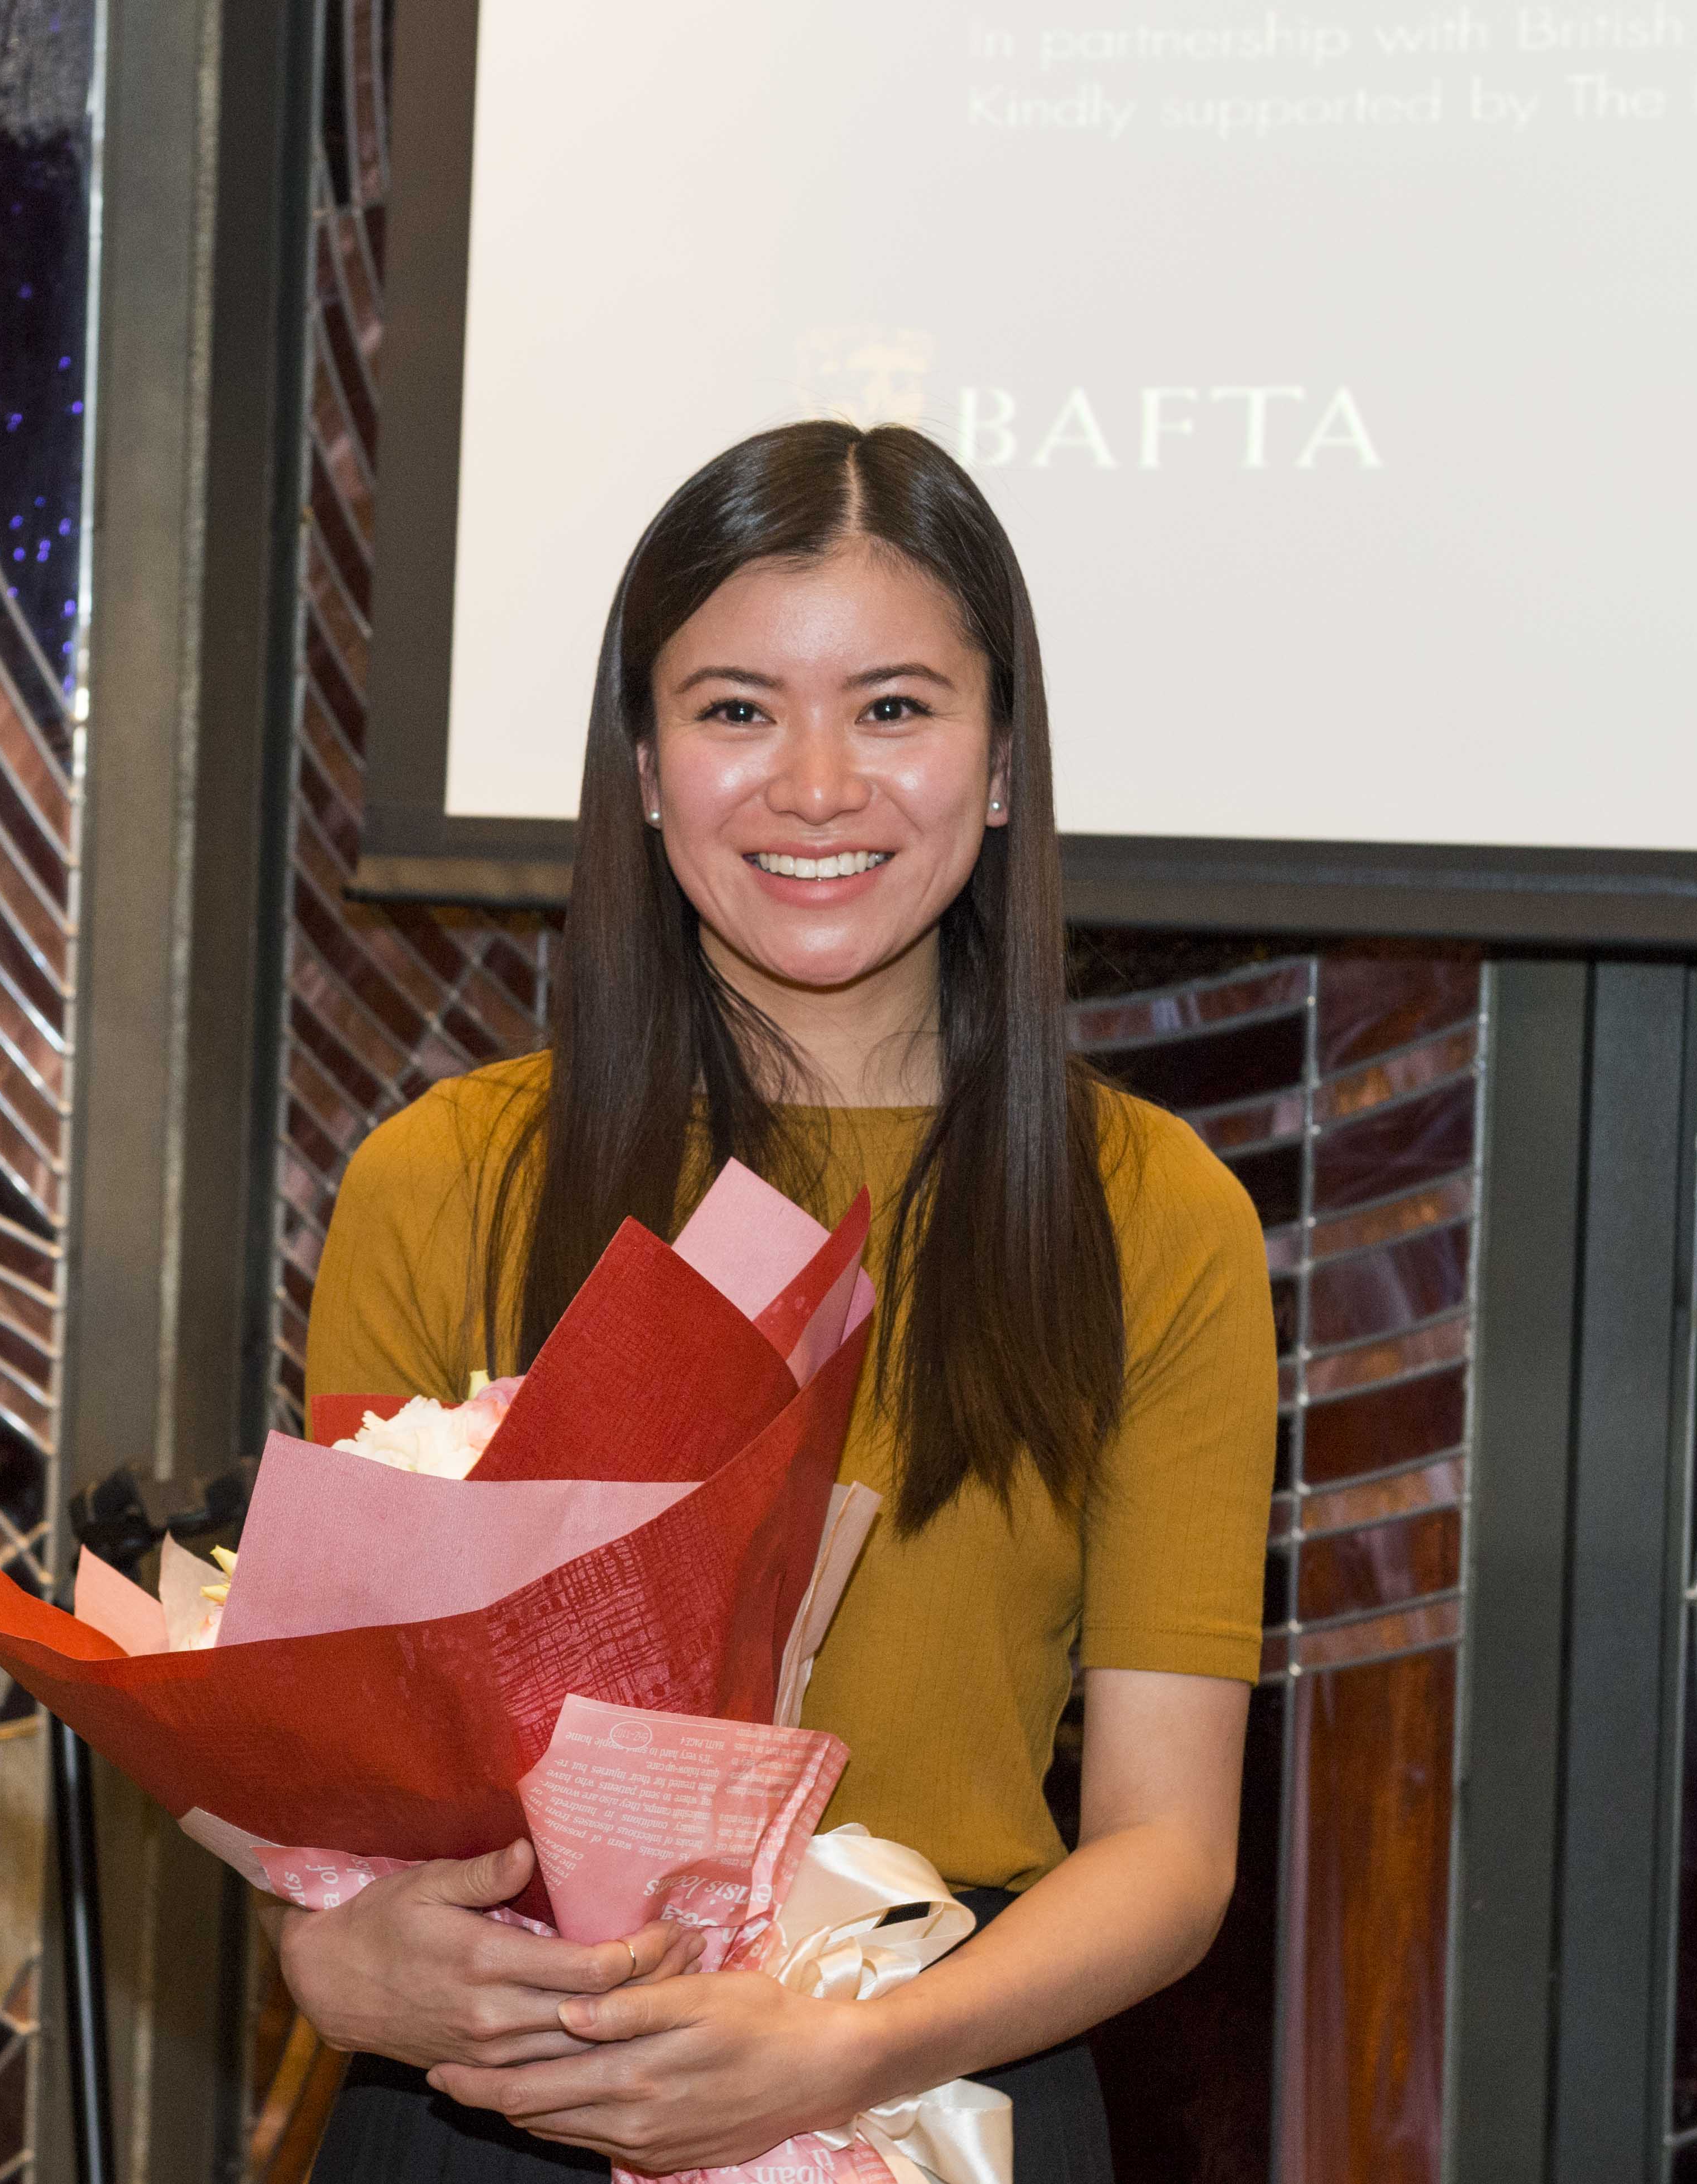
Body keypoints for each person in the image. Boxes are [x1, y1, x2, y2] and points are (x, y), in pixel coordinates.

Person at [280, 421, 1277, 2181]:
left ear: (999, 765)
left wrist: (844, 2047)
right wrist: (338, 1957)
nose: (816, 785)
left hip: (937, 2081)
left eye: (893, 709)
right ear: (645, 767)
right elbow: (338, 1774)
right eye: (736, 709)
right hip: (511, 2091)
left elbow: (1170, 1850)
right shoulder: (446, 1179)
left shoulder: (1148, 1211)